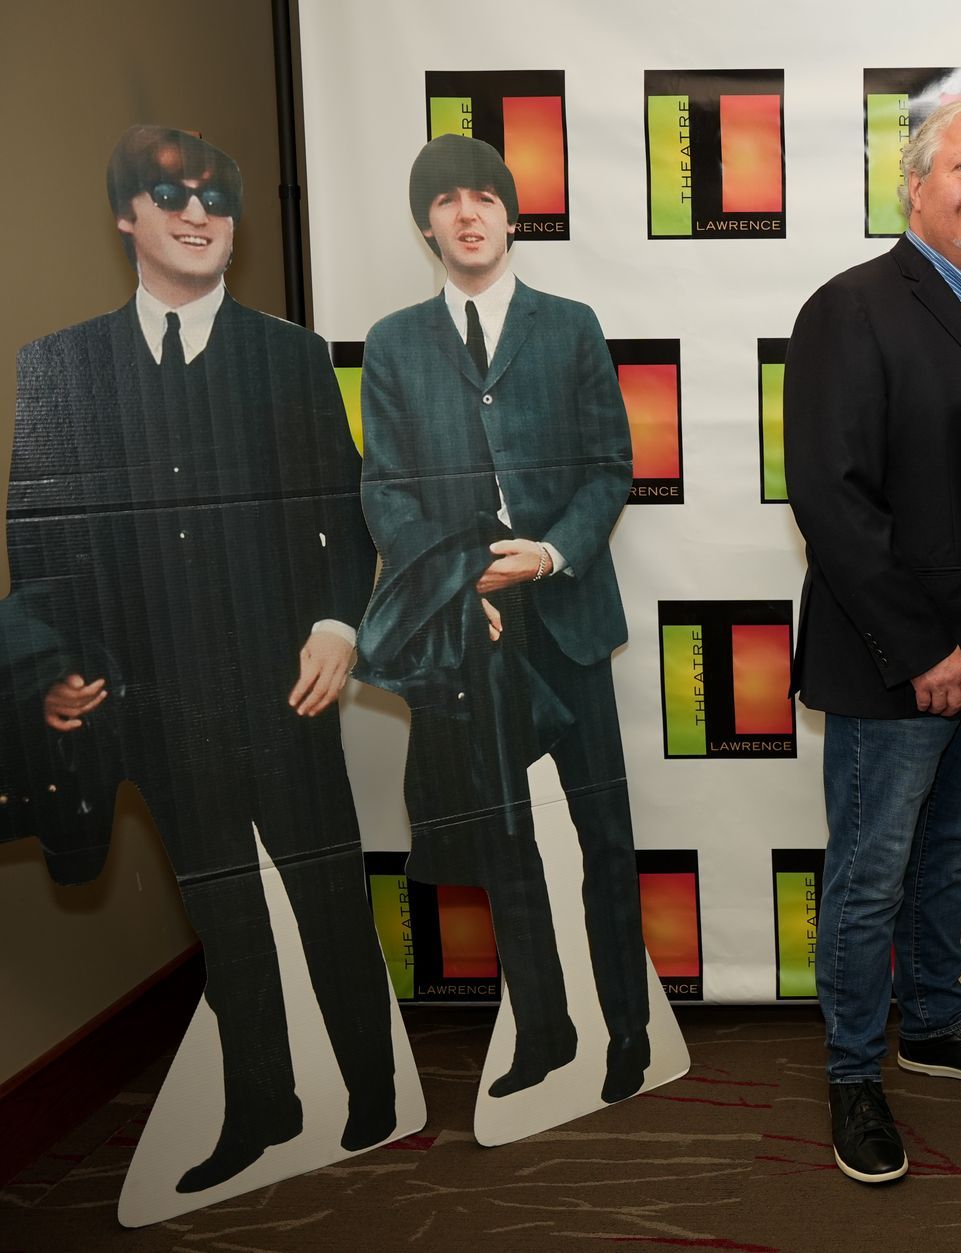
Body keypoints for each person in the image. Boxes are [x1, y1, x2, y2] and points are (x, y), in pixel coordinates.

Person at [6, 125, 397, 1192]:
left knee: (327, 900)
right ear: (127, 216)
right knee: (225, 918)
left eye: (217, 198)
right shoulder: (60, 367)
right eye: (169, 194)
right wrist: (62, 664)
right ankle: (262, 1104)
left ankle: (374, 1092)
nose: (198, 212)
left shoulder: (291, 356)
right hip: (159, 706)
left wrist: (336, 624)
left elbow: (346, 516)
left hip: (290, 691)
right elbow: (36, 544)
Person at [784, 99, 961, 1184]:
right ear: (914, 185)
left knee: (948, 854)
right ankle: (854, 1070)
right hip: (900, 659)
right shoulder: (851, 308)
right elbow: (834, 499)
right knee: (869, 873)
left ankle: (937, 1025)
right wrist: (922, 647)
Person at [356, 134, 649, 1107]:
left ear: (511, 214)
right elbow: (387, 488)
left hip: (564, 615)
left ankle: (629, 1031)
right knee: (510, 839)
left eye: (485, 195)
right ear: (426, 223)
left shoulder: (570, 327)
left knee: (604, 833)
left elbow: (611, 465)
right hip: (468, 631)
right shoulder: (395, 342)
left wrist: (552, 552)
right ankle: (548, 1032)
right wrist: (456, 584)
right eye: (446, 199)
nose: (467, 211)